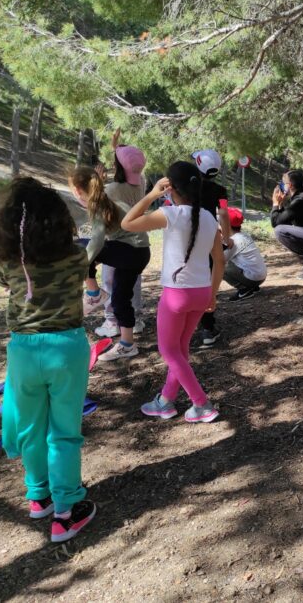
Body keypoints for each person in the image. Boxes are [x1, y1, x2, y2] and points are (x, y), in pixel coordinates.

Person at [0, 177, 96, 542]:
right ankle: (66, 512)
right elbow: (82, 271)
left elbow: (5, 281)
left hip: (24, 351)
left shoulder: (9, 263)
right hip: (67, 348)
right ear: (59, 220)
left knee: (31, 429)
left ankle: (39, 497)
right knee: (64, 432)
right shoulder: (77, 255)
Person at [121, 161, 225, 423]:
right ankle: (166, 401)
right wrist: (213, 294)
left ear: (171, 189)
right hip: (201, 293)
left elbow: (127, 223)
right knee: (180, 348)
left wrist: (151, 195)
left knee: (169, 351)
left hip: (176, 295)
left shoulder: (169, 214)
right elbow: (219, 260)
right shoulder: (210, 217)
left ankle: (201, 404)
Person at [69, 166, 151, 361]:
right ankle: (127, 344)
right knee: (120, 299)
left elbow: (96, 241)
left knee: (81, 247)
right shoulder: (104, 197)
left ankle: (94, 294)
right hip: (138, 252)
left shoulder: (98, 203)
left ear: (78, 190)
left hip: (130, 250)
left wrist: (83, 265)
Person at [95, 129, 147, 338]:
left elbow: (95, 206)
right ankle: (136, 319)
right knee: (132, 282)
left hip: (117, 240)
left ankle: (112, 321)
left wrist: (97, 184)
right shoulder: (141, 181)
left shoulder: (113, 188)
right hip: (138, 241)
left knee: (110, 281)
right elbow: (129, 162)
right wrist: (115, 147)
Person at [193, 149, 230, 346]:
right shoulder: (220, 191)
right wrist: (228, 237)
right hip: (209, 238)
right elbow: (223, 213)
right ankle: (207, 328)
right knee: (207, 279)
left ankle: (185, 324)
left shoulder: (187, 187)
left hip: (186, 237)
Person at [271, 169, 303, 278]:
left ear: (289, 186)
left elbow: (276, 222)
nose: (280, 186)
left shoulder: (301, 200)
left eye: (282, 183)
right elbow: (285, 219)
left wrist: (275, 204)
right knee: (283, 228)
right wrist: (280, 204)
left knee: (279, 231)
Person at [222, 207, 267, 301]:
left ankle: (244, 289)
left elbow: (220, 259)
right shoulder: (243, 236)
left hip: (253, 278)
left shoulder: (235, 240)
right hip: (260, 276)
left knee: (220, 267)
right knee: (231, 262)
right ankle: (252, 287)